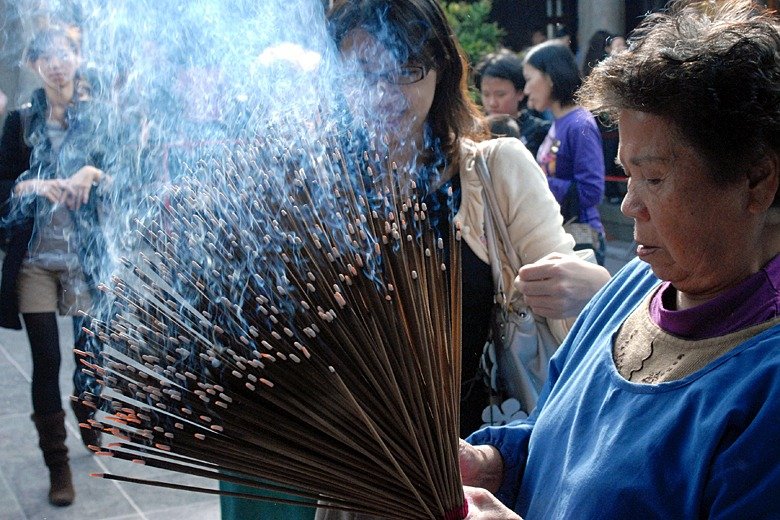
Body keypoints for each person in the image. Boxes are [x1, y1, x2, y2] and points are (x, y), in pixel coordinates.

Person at [460, 1, 780, 517]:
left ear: (757, 180)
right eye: (626, 174)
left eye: (653, 178)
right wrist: (491, 463)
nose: (629, 203)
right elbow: (552, 441)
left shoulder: (767, 389)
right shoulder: (631, 285)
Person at [310, 0, 608, 518]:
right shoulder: (319, 193)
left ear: (442, 68)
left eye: (406, 69)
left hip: (482, 463)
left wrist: (593, 284)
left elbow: (580, 292)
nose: (385, 92)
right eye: (362, 73)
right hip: (366, 474)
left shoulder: (496, 172)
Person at [0, 27, 107, 507]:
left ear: (77, 57)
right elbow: (2, 183)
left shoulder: (96, 118)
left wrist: (92, 173)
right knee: (47, 362)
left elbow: (125, 170)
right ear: (35, 66)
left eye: (63, 54)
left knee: (90, 355)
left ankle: (87, 410)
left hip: (84, 256)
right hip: (37, 260)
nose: (56, 64)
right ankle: (57, 466)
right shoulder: (20, 122)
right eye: (45, 57)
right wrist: (31, 187)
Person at [524, 41, 607, 264]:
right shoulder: (558, 122)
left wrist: (536, 181)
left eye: (530, 79)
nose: (526, 90)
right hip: (560, 234)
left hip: (580, 238)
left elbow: (592, 190)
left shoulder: (580, 123)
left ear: (550, 78)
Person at [474, 49, 550, 157]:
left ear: (520, 93)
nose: (492, 103)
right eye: (486, 94)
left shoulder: (540, 132)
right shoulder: (474, 132)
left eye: (500, 94)